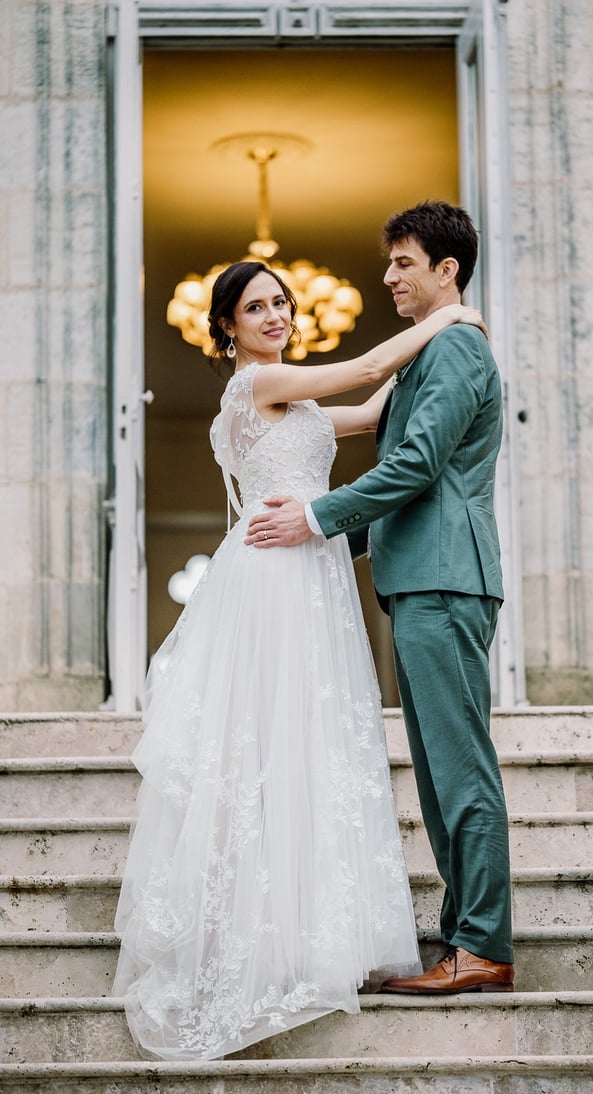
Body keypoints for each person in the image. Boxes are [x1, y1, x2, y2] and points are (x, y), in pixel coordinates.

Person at [112, 258, 487, 1061]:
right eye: (257, 307)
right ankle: (265, 942)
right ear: (227, 327)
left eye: (282, 302)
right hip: (277, 580)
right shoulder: (255, 388)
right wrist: (451, 317)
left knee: (318, 746)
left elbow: (376, 404)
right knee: (273, 745)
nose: (277, 314)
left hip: (313, 572)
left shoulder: (295, 398)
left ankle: (318, 934)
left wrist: (432, 356)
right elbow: (366, 365)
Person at [245, 200, 514, 994]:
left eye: (403, 262)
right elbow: (396, 448)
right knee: (437, 774)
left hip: (444, 576)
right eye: (390, 260)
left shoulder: (458, 349)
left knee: (460, 770)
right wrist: (334, 544)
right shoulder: (428, 359)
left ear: (446, 271)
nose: (389, 274)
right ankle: (465, 936)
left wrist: (320, 518)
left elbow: (419, 464)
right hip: (419, 577)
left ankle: (484, 946)